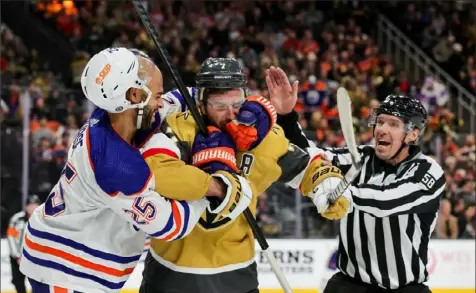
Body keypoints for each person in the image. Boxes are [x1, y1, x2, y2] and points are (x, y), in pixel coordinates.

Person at [19, 48, 253, 293]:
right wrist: (218, 187)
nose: (161, 102)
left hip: (65, 254)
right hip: (67, 271)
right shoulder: (115, 166)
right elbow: (171, 224)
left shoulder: (121, 113)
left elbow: (179, 99)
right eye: (157, 95)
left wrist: (249, 108)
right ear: (134, 94)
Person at [139, 58, 348, 293]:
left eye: (237, 103)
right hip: (171, 273)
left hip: (236, 274)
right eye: (219, 105)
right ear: (200, 102)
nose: (230, 114)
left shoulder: (263, 139)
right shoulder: (177, 129)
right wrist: (219, 186)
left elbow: (306, 168)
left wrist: (326, 185)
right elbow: (155, 172)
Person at [266, 67, 446, 293]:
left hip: (404, 289)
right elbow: (310, 157)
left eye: (392, 124)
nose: (381, 129)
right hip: (349, 286)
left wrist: (340, 192)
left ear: (413, 134)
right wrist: (286, 116)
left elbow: (388, 201)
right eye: (380, 122)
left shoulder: (428, 171)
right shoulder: (359, 157)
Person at [7, 195, 41, 293]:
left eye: (35, 205)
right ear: (26, 206)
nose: (32, 208)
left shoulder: (43, 220)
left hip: (35, 258)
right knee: (18, 282)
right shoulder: (16, 219)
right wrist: (17, 256)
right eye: (30, 205)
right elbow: (10, 237)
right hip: (17, 258)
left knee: (38, 283)